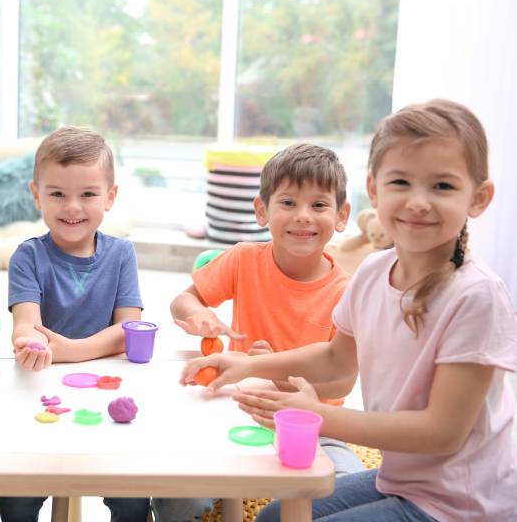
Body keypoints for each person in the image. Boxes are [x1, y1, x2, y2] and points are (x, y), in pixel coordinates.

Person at [184, 100, 517, 522]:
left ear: (479, 198)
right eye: (401, 182)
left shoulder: (477, 296)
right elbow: (335, 358)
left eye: (442, 186)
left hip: (461, 504)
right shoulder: (374, 272)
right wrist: (246, 365)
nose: (418, 202)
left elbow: (442, 433)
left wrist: (318, 416)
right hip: (405, 479)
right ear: (374, 191)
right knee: (272, 518)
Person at [153, 144, 363, 521]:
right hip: (236, 409)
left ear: (341, 215)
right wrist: (200, 315)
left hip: (314, 424)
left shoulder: (347, 292)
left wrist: (274, 372)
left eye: (319, 205)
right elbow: (184, 300)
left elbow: (341, 383)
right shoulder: (244, 259)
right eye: (288, 202)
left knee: (346, 490)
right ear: (262, 210)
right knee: (177, 493)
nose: (303, 216)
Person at [1, 126, 150, 522]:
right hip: (41, 393)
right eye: (56, 194)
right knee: (17, 498)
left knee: (132, 497)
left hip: (107, 391)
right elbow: (26, 325)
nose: (72, 207)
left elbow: (129, 330)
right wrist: (30, 344)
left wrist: (71, 350)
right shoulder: (27, 256)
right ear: (36, 195)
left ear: (110, 197)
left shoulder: (122, 254)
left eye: (87, 194)